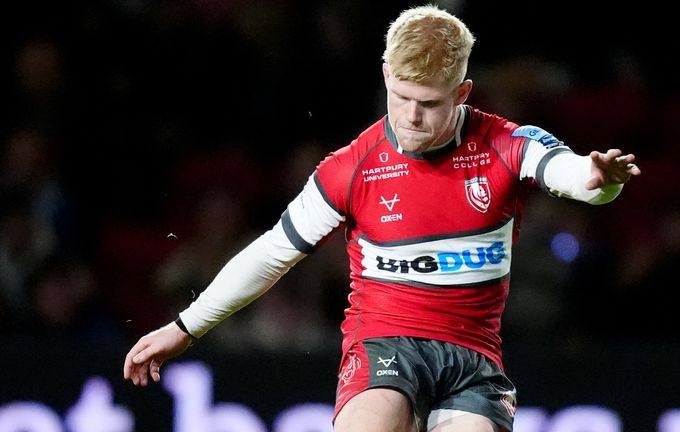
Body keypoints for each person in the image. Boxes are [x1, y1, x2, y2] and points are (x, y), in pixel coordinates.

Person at [123, 5, 641, 432]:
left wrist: (602, 179)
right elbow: (272, 252)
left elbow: (575, 175)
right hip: (384, 345)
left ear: (462, 93)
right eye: (402, 97)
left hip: (472, 360)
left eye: (429, 103)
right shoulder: (352, 167)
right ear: (387, 76)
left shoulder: (506, 143)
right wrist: (186, 327)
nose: (412, 117)